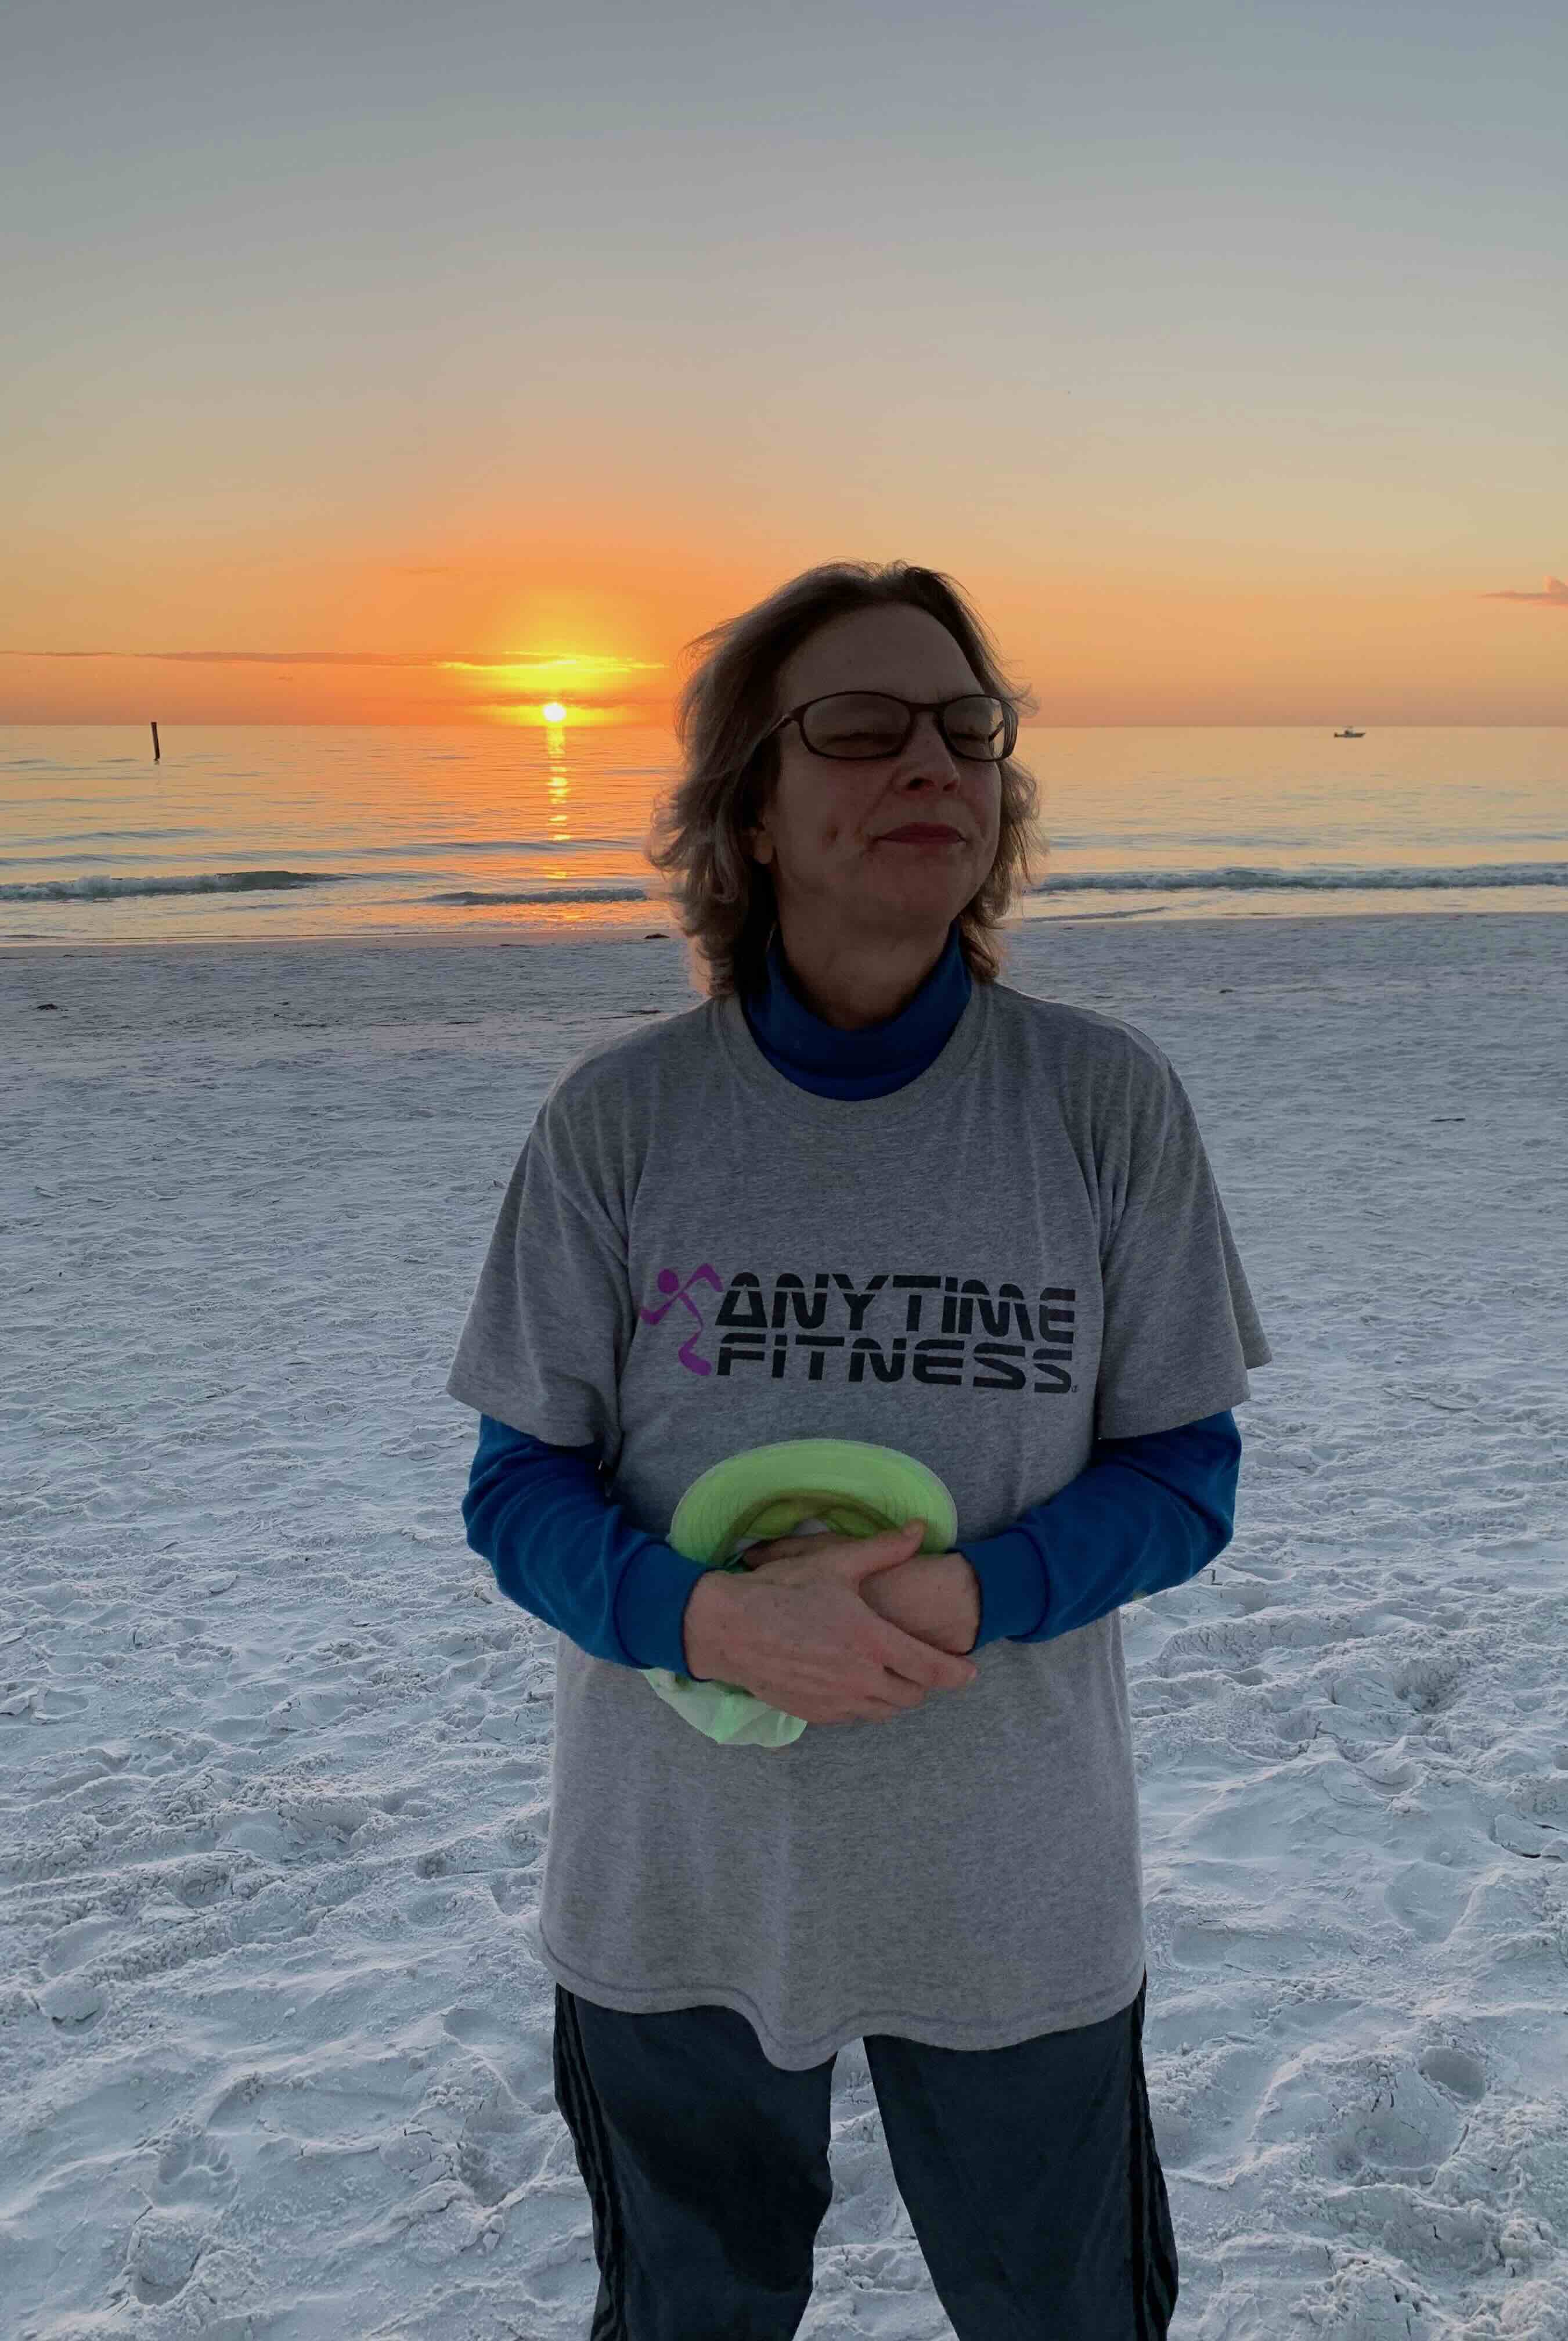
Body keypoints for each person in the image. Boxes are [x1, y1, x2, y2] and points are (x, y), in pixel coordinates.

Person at [448, 560, 1271, 2340]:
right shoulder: (620, 1121)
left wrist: (966, 1595)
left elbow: (1186, 1466)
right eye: (863, 727)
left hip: (1014, 1885)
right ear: (749, 810)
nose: (934, 765)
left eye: (968, 730)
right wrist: (710, 1623)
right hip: (678, 1888)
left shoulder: (1101, 1100)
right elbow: (516, 1491)